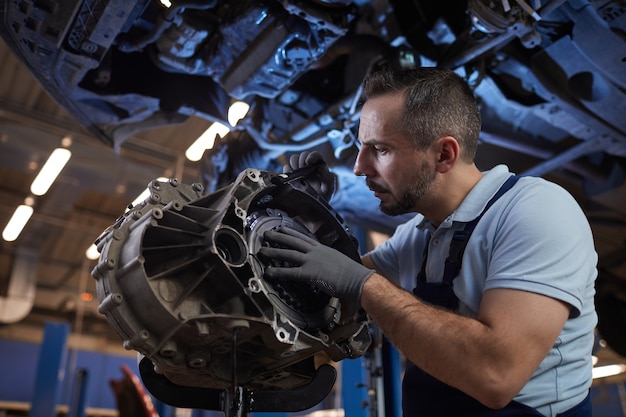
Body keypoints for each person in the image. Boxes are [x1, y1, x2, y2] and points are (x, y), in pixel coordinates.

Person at [258, 67, 597, 416]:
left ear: (444, 155)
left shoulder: (535, 211)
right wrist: (313, 214)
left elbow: (497, 375)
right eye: (362, 147)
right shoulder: (417, 235)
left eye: (381, 150)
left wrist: (364, 285)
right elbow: (333, 283)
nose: (358, 168)